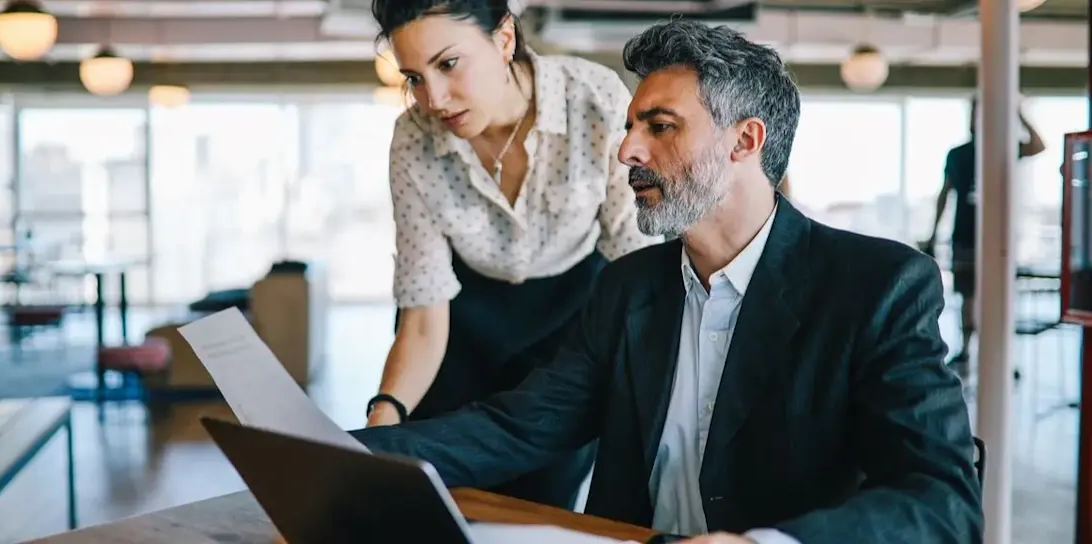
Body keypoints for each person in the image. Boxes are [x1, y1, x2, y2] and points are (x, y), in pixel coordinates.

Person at [353, 19, 981, 544]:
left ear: (745, 141)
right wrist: (339, 454)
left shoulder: (878, 287)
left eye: (659, 126)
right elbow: (518, 426)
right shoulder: (625, 288)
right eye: (631, 127)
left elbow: (943, 504)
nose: (626, 150)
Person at [364, 0, 656, 510]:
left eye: (448, 64)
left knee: (539, 506)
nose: (434, 99)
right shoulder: (413, 139)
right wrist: (380, 423)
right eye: (414, 78)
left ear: (503, 39)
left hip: (571, 321)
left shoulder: (594, 98)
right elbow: (424, 321)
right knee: (428, 494)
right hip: (459, 329)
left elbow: (634, 264)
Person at [925, 99, 1045, 370]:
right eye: (974, 113)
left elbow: (1038, 145)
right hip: (964, 236)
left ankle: (998, 355)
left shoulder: (1003, 149)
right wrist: (933, 234)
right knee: (967, 296)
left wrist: (1017, 112)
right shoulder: (958, 155)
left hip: (997, 238)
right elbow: (945, 194)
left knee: (996, 297)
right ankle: (967, 350)